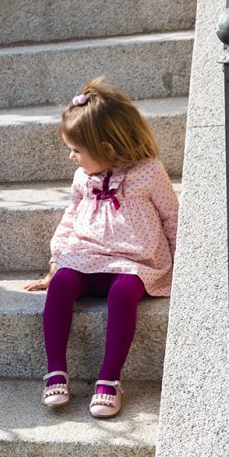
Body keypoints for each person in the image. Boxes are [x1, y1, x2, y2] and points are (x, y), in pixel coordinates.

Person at [25, 77, 178, 418]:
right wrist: (56, 259)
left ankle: (109, 379)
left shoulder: (149, 172)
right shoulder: (83, 177)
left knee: (123, 295)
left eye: (77, 150)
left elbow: (172, 217)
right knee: (63, 283)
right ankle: (55, 370)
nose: (71, 157)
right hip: (89, 254)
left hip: (134, 260)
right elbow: (70, 216)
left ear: (107, 149)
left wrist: (181, 263)